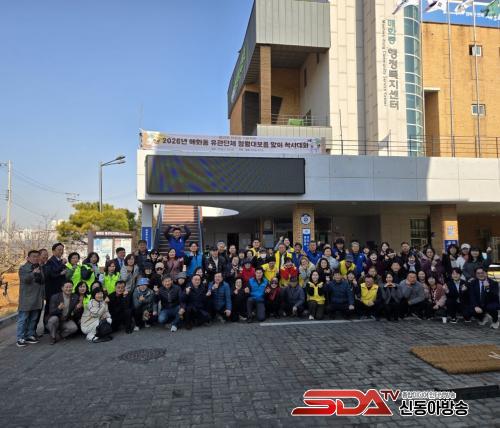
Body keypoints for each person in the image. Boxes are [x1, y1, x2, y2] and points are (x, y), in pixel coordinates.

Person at [16, 250, 45, 347]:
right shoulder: (23, 268)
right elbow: (25, 280)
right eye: (33, 256)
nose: (36, 258)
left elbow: (42, 282)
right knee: (23, 319)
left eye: (37, 256)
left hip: (37, 298)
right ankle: (20, 337)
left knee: (33, 318)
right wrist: (33, 273)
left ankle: (30, 335)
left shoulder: (39, 267)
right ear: (28, 258)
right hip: (27, 298)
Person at [43, 243, 67, 328]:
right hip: (52, 290)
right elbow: (51, 274)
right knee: (49, 308)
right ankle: (46, 327)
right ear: (53, 251)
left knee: (59, 307)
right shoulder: (50, 261)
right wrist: (61, 268)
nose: (61, 251)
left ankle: (57, 326)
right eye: (59, 249)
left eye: (62, 249)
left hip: (60, 289)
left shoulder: (60, 260)